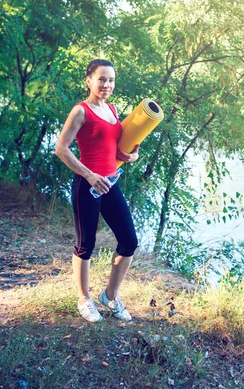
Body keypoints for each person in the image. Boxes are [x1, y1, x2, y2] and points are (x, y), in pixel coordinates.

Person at [55, 58, 139, 323]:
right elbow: (61, 149)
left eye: (111, 80)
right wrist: (90, 175)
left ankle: (110, 296)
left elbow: (112, 149)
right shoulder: (81, 110)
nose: (106, 84)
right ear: (89, 81)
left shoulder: (113, 110)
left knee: (129, 241)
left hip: (110, 183)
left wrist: (130, 156)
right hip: (87, 185)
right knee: (86, 244)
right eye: (101, 79)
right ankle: (84, 299)